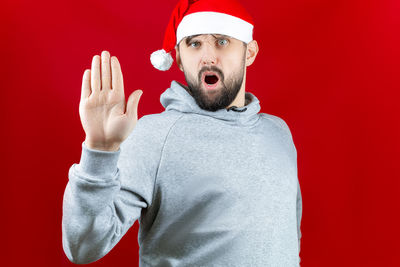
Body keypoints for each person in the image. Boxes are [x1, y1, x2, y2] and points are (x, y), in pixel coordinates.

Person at [62, 0, 303, 266]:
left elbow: (287, 240)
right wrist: (99, 150)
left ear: (249, 53)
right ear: (178, 57)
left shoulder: (278, 133)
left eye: (222, 42)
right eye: (194, 43)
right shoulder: (154, 135)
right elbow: (83, 246)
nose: (208, 56)